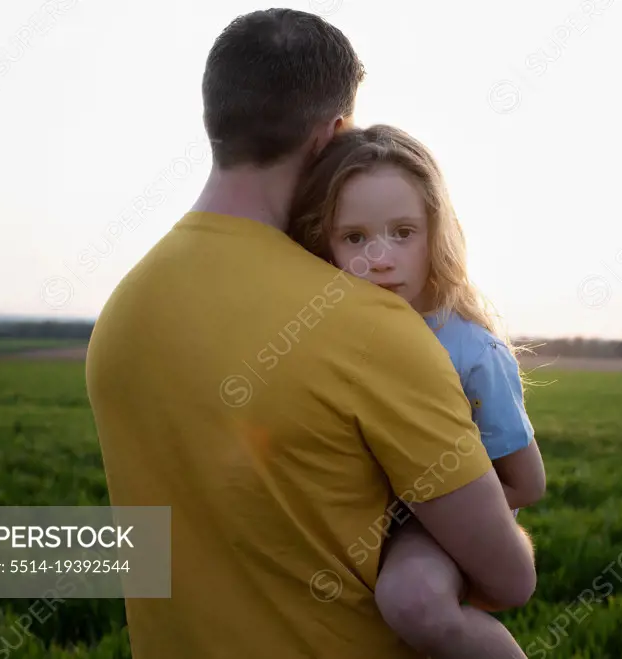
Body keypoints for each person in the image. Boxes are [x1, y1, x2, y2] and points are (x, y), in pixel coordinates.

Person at [84, 8, 536, 659]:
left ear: (217, 121)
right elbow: (509, 577)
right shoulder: (370, 325)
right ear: (333, 133)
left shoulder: (122, 316)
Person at [288, 123, 547, 658]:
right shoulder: (320, 337)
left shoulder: (473, 353)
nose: (379, 257)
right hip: (352, 518)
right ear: (326, 243)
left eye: (402, 232)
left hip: (432, 528)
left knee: (413, 600)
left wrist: (428, 512)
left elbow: (526, 482)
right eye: (355, 237)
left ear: (436, 233)